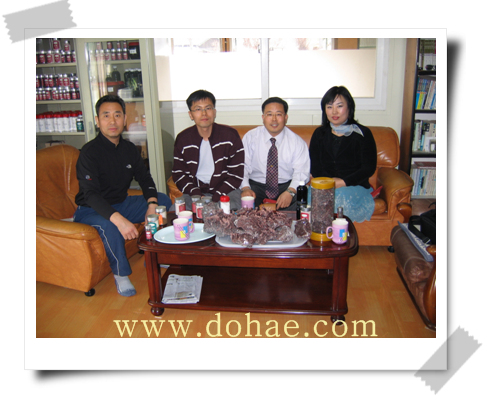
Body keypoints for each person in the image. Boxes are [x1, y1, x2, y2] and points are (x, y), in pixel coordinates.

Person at [74, 95, 172, 297]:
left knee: (162, 201)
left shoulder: (129, 149)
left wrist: (151, 203)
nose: (112, 121)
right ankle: (121, 274)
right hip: (91, 210)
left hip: (121, 203)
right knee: (110, 225)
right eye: (106, 115)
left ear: (125, 119)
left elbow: (145, 178)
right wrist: (119, 220)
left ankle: (153, 254)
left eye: (117, 115)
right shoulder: (88, 152)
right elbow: (90, 195)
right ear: (97, 120)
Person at [309, 86, 377, 222]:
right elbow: (314, 166)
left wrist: (343, 182)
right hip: (325, 186)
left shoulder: (362, 133)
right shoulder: (319, 134)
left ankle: (340, 234)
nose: (334, 111)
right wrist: (330, 182)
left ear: (349, 107)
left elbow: (368, 168)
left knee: (338, 198)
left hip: (354, 186)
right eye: (329, 107)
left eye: (339, 106)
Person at [172, 90, 245, 210]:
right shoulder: (183, 139)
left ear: (214, 112)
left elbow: (236, 174)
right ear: (191, 115)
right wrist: (196, 194)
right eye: (198, 109)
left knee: (232, 212)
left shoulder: (230, 136)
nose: (204, 113)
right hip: (193, 192)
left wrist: (217, 196)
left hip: (226, 191)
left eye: (208, 108)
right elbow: (179, 174)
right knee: (176, 212)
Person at [240, 97, 310, 210]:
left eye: (278, 114)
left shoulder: (297, 142)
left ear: (286, 117)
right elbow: (242, 166)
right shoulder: (251, 137)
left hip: (286, 187)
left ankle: (274, 214)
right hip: (255, 186)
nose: (274, 119)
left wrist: (290, 192)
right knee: (235, 198)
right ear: (263, 117)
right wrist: (245, 188)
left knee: (305, 200)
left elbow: (301, 172)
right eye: (269, 114)